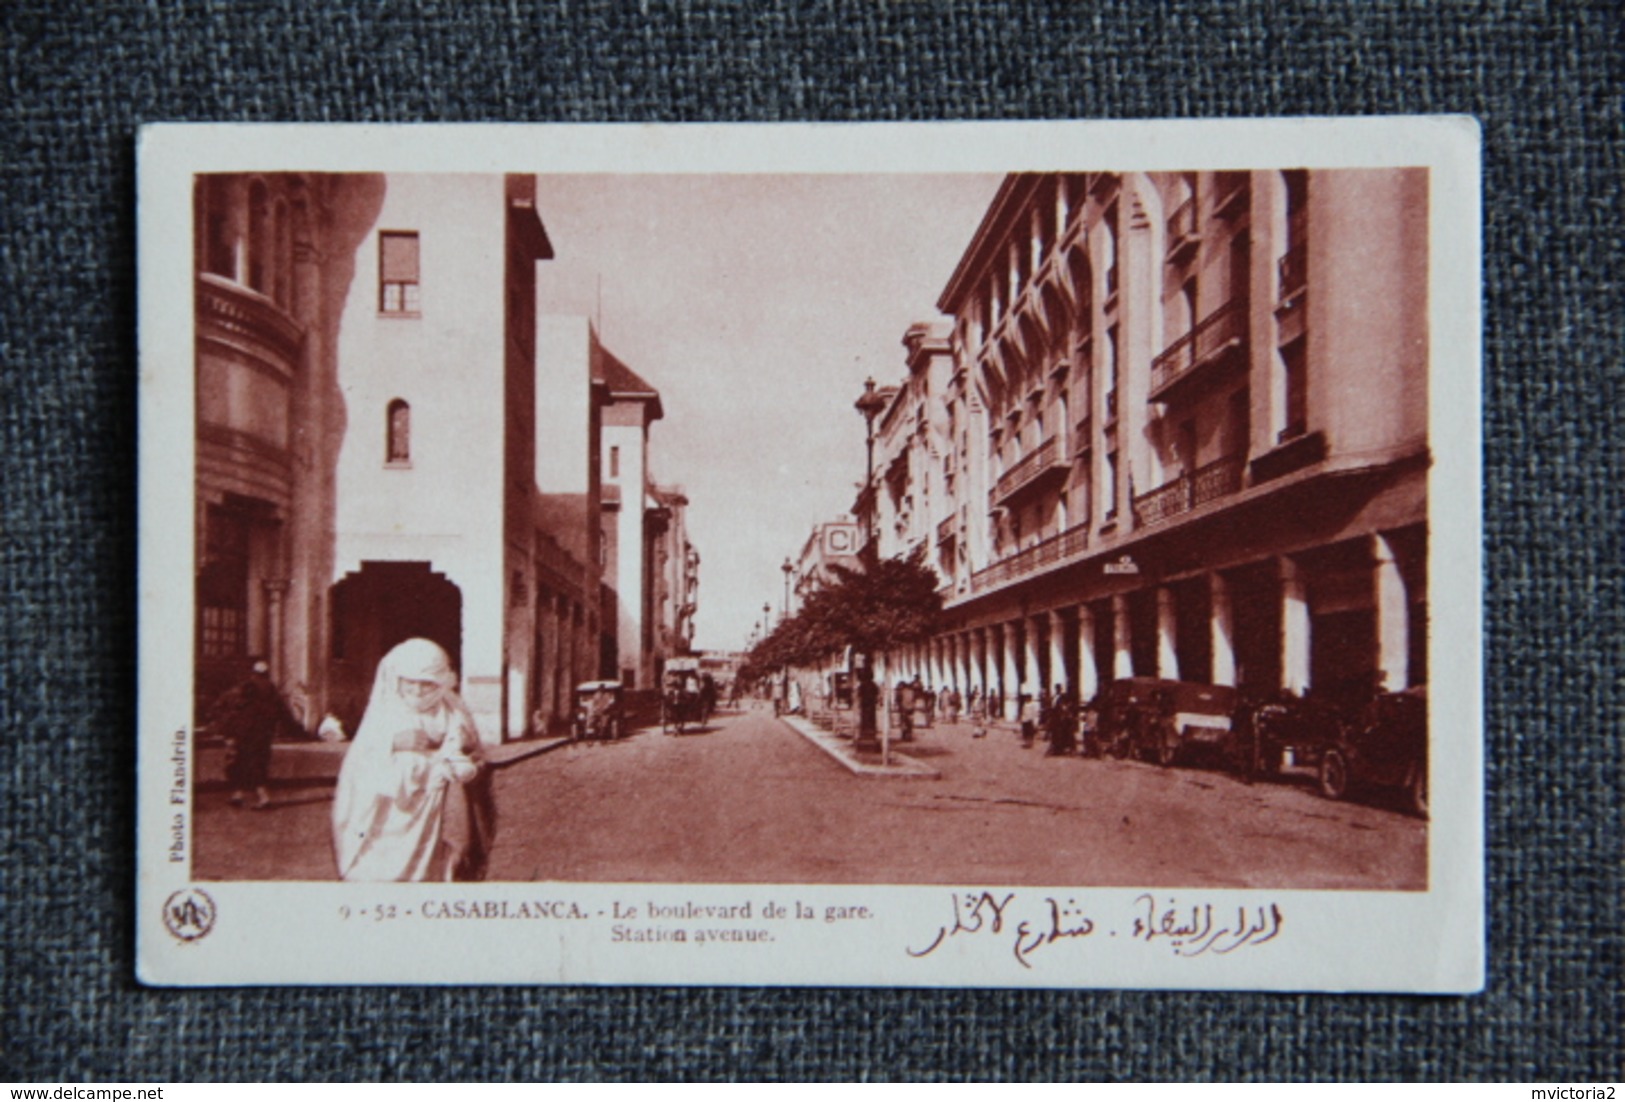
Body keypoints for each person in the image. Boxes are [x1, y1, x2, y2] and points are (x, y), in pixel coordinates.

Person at [331, 638, 496, 882]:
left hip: (436, 815)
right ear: (398, 680)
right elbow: (359, 762)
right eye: (410, 682)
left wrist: (463, 763)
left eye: (426, 684)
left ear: (440, 682)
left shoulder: (453, 711)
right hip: (390, 818)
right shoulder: (385, 712)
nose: (417, 691)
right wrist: (393, 743)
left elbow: (476, 756)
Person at [213, 659, 294, 810]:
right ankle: (241, 795)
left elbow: (232, 710)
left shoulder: (246, 690)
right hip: (264, 734)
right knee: (256, 764)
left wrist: (229, 732)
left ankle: (260, 798)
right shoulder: (272, 692)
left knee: (242, 763)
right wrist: (294, 730)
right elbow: (283, 713)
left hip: (246, 733)